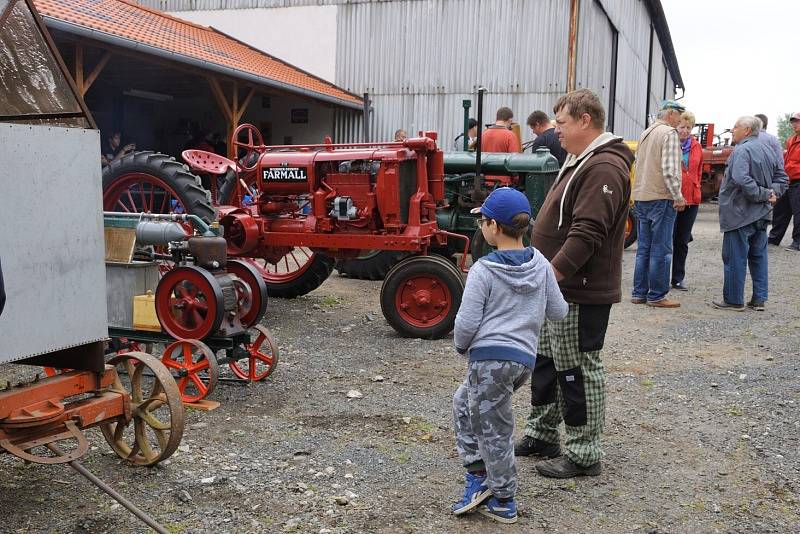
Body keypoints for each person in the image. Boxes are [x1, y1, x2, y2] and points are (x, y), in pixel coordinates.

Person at [516, 89, 633, 479]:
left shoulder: (603, 167)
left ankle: (584, 453)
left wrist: (550, 274)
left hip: (578, 292)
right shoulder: (578, 159)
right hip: (560, 290)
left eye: (562, 123)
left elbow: (587, 232)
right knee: (548, 361)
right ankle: (543, 432)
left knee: (578, 369)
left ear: (585, 120)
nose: (556, 131)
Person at [451, 187, 568, 523]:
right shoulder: (541, 262)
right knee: (464, 404)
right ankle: (479, 473)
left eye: (483, 221)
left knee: (494, 427)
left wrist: (462, 346)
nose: (481, 227)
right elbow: (558, 311)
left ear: (495, 227)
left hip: (489, 361)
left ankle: (502, 498)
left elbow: (467, 321)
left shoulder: (484, 269)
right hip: (521, 362)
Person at [713, 116, 788, 311]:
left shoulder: (741, 150)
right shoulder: (769, 150)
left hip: (740, 214)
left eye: (735, 126)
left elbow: (740, 178)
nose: (732, 130)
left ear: (747, 130)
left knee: (735, 257)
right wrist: (772, 193)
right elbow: (782, 177)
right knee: (758, 257)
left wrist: (763, 194)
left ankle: (733, 300)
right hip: (761, 214)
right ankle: (759, 299)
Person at [631, 100, 687, 308]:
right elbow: (670, 170)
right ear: (670, 114)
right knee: (661, 249)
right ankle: (656, 295)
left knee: (644, 248)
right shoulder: (669, 134)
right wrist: (678, 196)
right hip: (660, 196)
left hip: (642, 195)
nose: (680, 119)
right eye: (678, 115)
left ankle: (639, 292)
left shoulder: (646, 133)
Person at [671, 110, 703, 291]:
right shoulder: (670, 143)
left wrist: (696, 188)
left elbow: (697, 171)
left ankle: (677, 278)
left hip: (691, 200)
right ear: (676, 126)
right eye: (682, 126)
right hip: (674, 198)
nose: (684, 131)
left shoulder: (696, 146)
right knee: (668, 239)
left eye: (688, 127)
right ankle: (659, 278)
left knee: (682, 241)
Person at [768, 112, 800, 250]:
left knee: (798, 213)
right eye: (793, 122)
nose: (794, 124)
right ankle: (774, 238)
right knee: (780, 210)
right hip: (788, 181)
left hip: (798, 180)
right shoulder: (791, 140)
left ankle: (798, 242)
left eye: (797, 121)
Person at [480, 107, 521, 183]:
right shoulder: (510, 135)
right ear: (510, 120)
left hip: (485, 180)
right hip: (504, 182)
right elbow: (514, 161)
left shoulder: (484, 134)